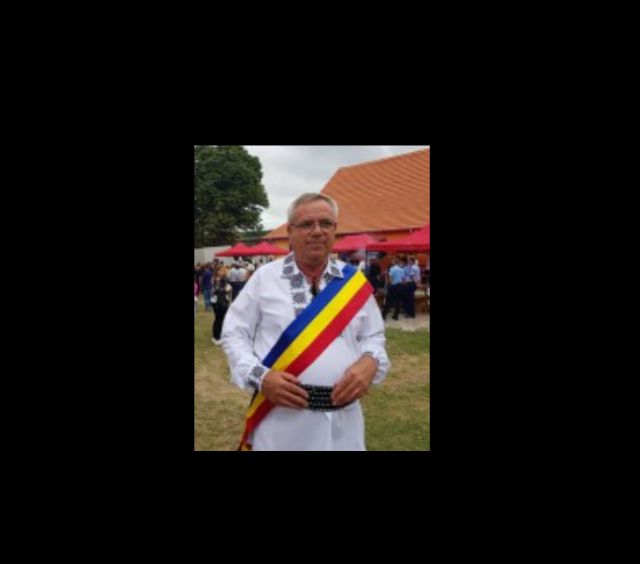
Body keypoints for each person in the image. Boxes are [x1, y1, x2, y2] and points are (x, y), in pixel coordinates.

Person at [221, 193, 390, 451]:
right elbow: (234, 334)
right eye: (307, 224)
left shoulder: (354, 282)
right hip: (281, 421)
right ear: (290, 231)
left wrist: (371, 361)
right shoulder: (265, 278)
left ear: (335, 229)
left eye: (326, 223)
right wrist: (260, 377)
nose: (317, 231)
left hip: (344, 424)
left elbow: (374, 336)